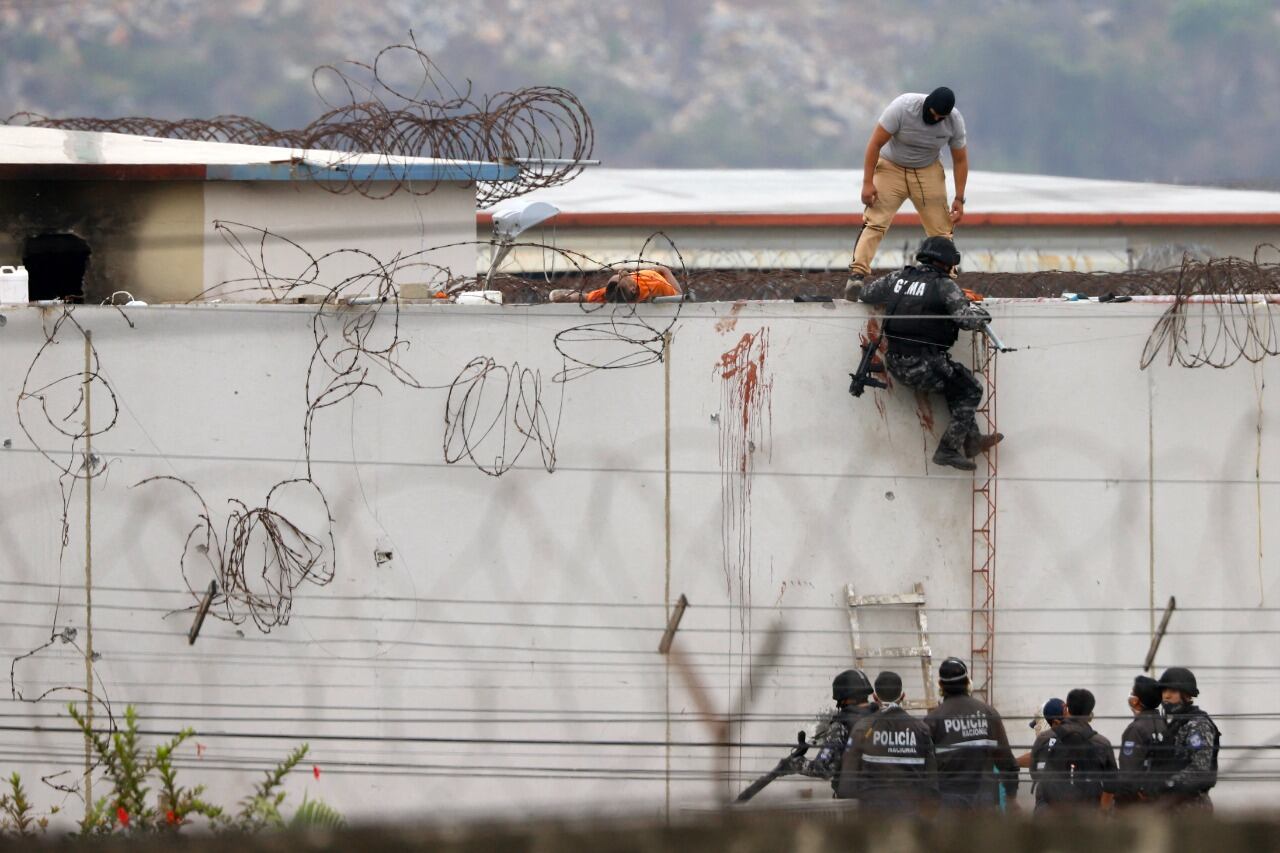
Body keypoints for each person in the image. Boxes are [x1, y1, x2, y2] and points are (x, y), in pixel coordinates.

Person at [856, 236, 1001, 471]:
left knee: (957, 382)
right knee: (971, 389)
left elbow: (866, 294)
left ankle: (972, 439)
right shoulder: (944, 285)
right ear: (946, 262)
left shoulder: (898, 278)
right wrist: (983, 315)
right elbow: (965, 320)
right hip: (923, 364)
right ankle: (948, 449)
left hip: (895, 362)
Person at [846, 87, 968, 297]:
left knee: (941, 229)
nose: (935, 118)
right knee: (876, 220)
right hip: (891, 167)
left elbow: (960, 159)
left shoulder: (955, 121)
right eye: (932, 114)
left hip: (927, 169)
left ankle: (947, 282)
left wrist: (959, 197)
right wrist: (867, 183)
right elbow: (874, 144)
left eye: (940, 117)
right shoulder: (903, 107)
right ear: (926, 105)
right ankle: (856, 276)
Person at [924, 657, 1019, 809]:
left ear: (940, 685)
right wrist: (1011, 797)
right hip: (984, 801)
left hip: (949, 805)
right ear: (968, 682)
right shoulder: (988, 713)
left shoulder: (933, 720)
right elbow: (1006, 762)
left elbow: (926, 769)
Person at [837, 671, 938, 810]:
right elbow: (931, 784)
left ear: (875, 697)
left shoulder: (862, 728)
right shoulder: (922, 730)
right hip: (910, 817)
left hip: (873, 817)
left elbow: (847, 785)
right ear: (902, 696)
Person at [791, 669, 876, 795]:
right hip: (884, 798)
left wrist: (796, 761)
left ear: (844, 699)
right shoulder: (884, 719)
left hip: (853, 802)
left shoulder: (841, 725)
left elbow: (822, 769)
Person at [1034, 688, 1117, 811]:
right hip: (1088, 813)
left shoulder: (1045, 738)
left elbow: (1035, 773)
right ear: (1090, 713)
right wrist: (1102, 813)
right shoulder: (1102, 743)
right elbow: (1112, 782)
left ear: (1066, 707)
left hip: (1051, 813)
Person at [1157, 666, 1220, 810]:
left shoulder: (1197, 724)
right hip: (1172, 805)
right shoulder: (1174, 725)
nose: (1166, 696)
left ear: (1186, 695)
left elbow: (1199, 769)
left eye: (1172, 691)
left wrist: (1167, 783)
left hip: (1192, 805)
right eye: (1164, 690)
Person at [1114, 675, 1170, 808]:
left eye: (1133, 693)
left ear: (1136, 701)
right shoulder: (1164, 725)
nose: (1130, 696)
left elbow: (1128, 771)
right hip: (1162, 799)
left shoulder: (1136, 729)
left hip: (1139, 803)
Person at [549, 265, 681, 303]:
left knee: (589, 297)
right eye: (623, 276)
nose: (622, 272)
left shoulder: (613, 292)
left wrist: (567, 297)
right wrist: (665, 270)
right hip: (662, 276)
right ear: (633, 289)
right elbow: (679, 295)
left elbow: (585, 297)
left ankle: (565, 296)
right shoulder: (656, 284)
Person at [1025, 697, 1066, 810]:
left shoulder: (1046, 741)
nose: (1036, 728)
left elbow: (1034, 768)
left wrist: (1011, 762)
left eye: (1037, 724)